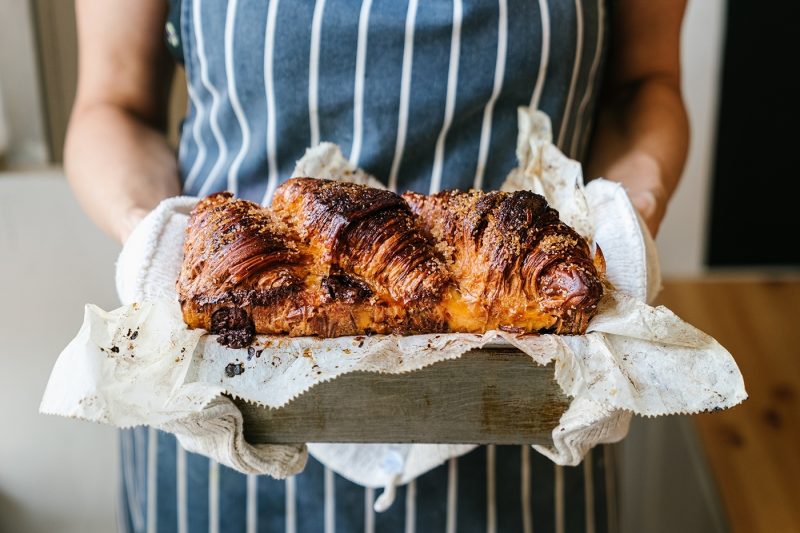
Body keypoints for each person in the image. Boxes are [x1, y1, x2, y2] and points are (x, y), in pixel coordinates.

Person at [64, 0, 689, 531]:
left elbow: (646, 85)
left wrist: (631, 216)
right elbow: (112, 104)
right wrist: (151, 236)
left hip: (531, 430)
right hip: (222, 408)